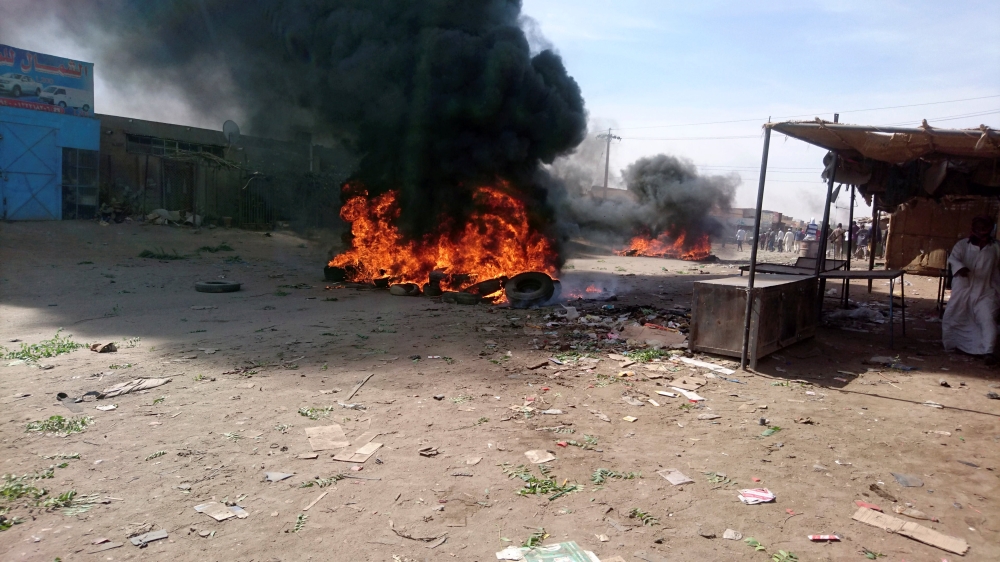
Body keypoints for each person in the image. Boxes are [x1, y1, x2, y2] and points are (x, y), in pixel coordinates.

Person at [943, 217, 1000, 356]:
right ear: (973, 229)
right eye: (980, 228)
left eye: (985, 229)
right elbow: (953, 259)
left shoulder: (996, 247)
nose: (982, 232)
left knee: (987, 318)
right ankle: (955, 345)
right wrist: (960, 268)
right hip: (963, 289)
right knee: (955, 316)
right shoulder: (962, 245)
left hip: (986, 290)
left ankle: (988, 351)